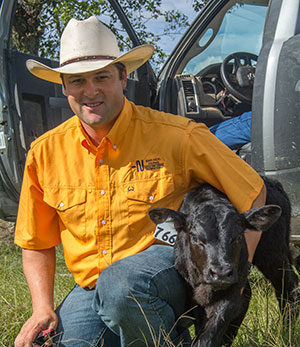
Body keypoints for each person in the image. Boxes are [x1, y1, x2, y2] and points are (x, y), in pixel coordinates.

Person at [14, 16, 266, 347]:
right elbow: (36, 243)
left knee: (123, 285)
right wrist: (42, 308)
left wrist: (233, 276)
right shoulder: (45, 153)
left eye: (101, 77)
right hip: (91, 286)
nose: (90, 91)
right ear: (64, 87)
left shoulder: (180, 137)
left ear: (123, 77)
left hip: (168, 275)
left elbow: (253, 192)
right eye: (77, 81)